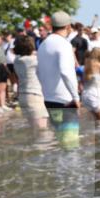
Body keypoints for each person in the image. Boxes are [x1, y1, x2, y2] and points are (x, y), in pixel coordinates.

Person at [36, 11, 81, 143]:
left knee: (60, 139)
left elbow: (38, 72)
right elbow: (66, 72)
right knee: (71, 143)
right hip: (66, 100)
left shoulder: (43, 44)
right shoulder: (64, 44)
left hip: (49, 99)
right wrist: (76, 97)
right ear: (68, 27)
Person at [11, 34, 48, 130]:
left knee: (34, 130)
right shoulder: (33, 60)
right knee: (42, 130)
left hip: (23, 96)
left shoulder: (17, 60)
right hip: (34, 96)